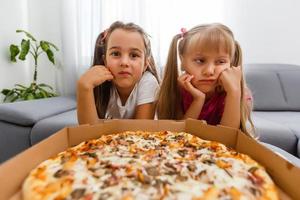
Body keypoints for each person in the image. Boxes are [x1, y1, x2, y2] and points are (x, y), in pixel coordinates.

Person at [157, 23, 254, 137]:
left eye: (221, 62)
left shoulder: (238, 95)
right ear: (182, 62)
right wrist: (198, 99)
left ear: (231, 64)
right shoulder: (177, 91)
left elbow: (227, 140)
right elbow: (179, 137)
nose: (209, 71)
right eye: (200, 61)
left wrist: (234, 93)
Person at [77, 21, 160, 124]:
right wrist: (84, 88)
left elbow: (140, 133)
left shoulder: (148, 82)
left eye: (134, 55)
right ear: (105, 61)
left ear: (145, 65)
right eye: (116, 53)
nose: (124, 63)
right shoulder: (99, 83)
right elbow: (87, 131)